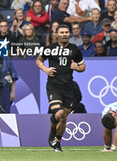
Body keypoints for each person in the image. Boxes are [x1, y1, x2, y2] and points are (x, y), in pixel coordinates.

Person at [36, 24, 86, 152]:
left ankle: (57, 142)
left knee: (63, 117)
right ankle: (53, 130)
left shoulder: (75, 50)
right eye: (62, 32)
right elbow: (38, 61)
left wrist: (77, 68)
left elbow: (83, 66)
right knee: (59, 113)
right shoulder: (50, 48)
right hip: (53, 86)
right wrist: (46, 69)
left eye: (66, 32)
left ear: (69, 34)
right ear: (57, 34)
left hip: (68, 87)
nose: (64, 34)